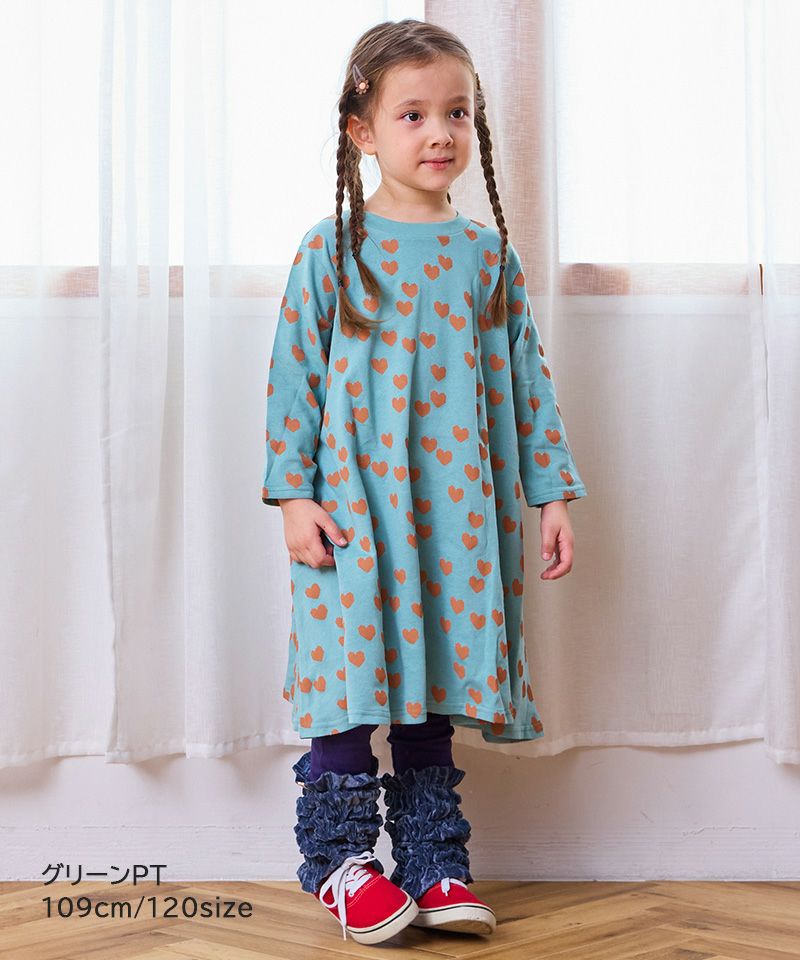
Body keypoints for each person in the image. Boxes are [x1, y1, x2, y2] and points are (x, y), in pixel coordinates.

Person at [261, 18, 588, 946]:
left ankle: (434, 858)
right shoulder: (330, 250)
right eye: (413, 114)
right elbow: (293, 379)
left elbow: (527, 381)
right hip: (351, 515)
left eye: (457, 113)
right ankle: (339, 862)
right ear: (362, 130)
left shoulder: (486, 258)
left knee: (432, 683)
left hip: (457, 517)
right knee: (351, 677)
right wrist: (293, 494)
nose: (440, 132)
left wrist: (550, 494)